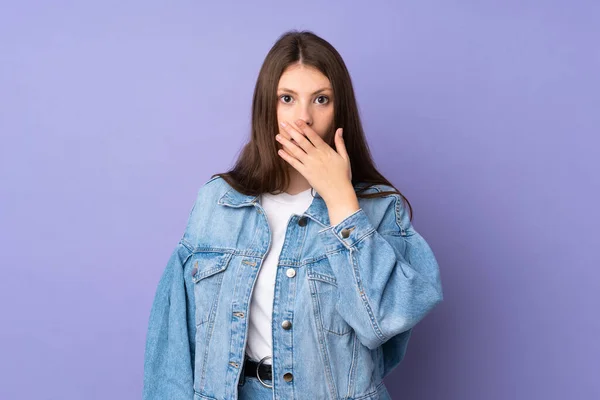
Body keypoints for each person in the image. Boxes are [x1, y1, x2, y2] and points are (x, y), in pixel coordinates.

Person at [143, 29, 443, 400]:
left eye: (321, 99)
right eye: (287, 98)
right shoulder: (217, 202)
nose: (303, 118)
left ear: (340, 110)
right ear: (267, 109)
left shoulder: (380, 209)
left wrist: (341, 201)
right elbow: (174, 341)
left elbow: (383, 323)